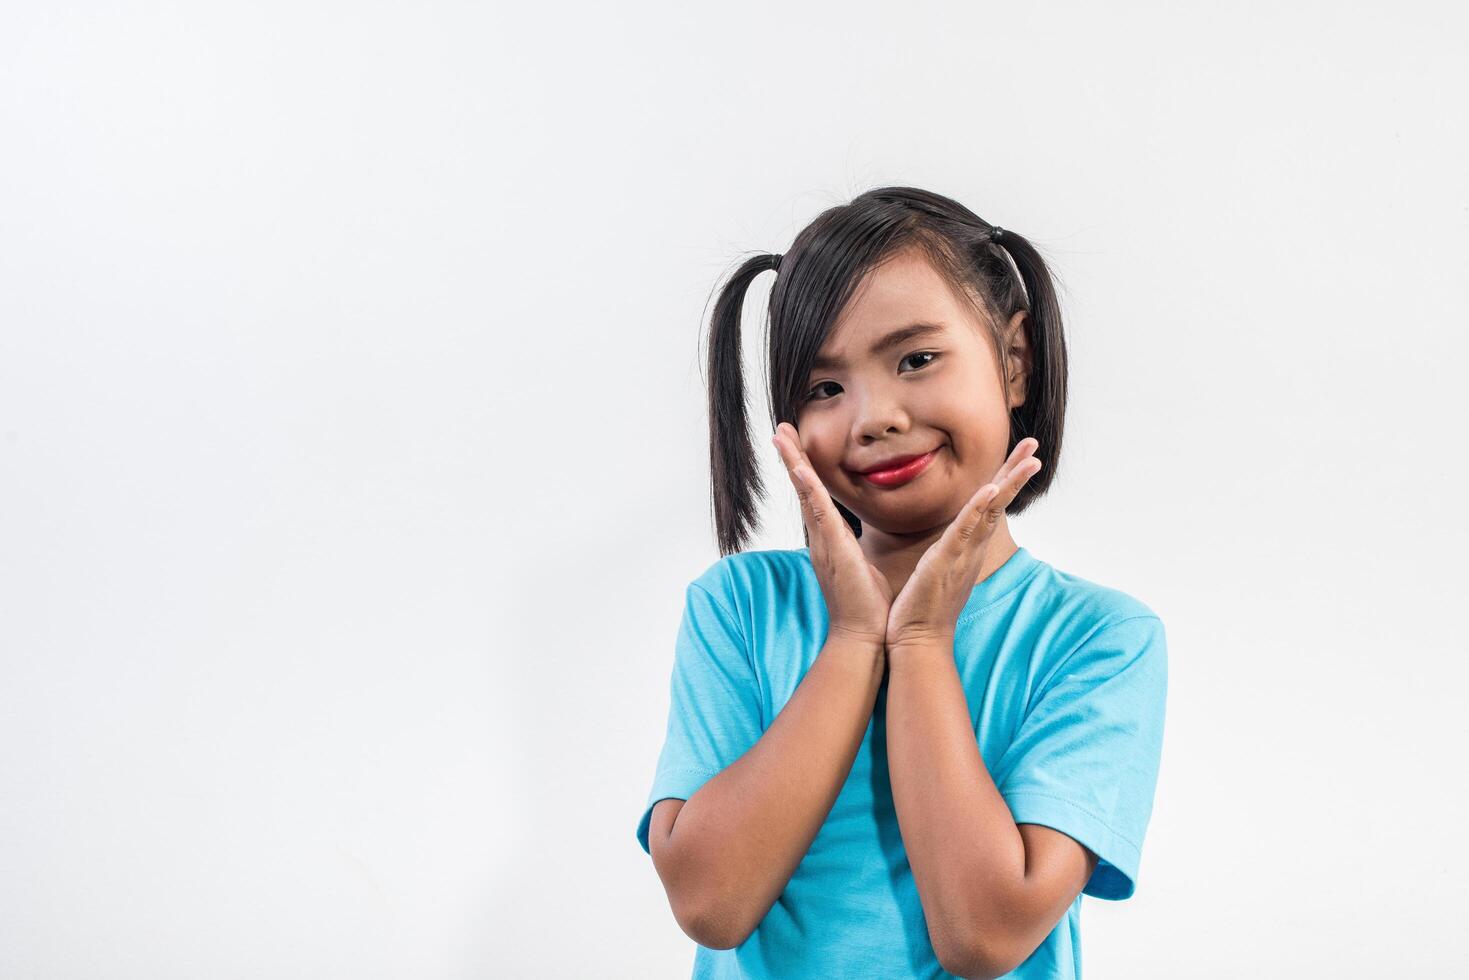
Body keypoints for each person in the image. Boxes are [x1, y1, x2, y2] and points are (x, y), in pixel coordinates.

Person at [634, 186, 1168, 979]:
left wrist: (919, 642)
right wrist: (853, 639)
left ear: (1014, 362)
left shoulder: (1098, 639)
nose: (872, 417)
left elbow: (984, 936)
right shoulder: (742, 609)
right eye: (824, 388)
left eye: (915, 359)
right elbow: (711, 902)